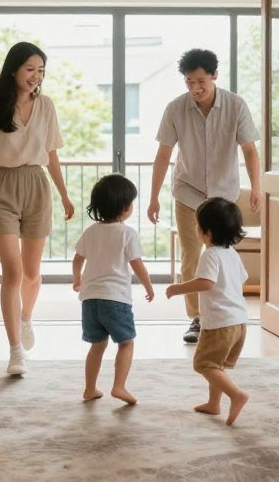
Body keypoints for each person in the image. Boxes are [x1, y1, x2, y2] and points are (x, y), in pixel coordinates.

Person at [0, 42, 75, 376]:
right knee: (12, 273)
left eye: (40, 70)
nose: (36, 76)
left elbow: (52, 155)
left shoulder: (46, 106)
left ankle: (26, 317)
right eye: (30, 69)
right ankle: (15, 351)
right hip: (1, 189)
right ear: (14, 69)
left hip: (37, 186)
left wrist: (65, 195)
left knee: (31, 273)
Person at [147, 48, 260, 344]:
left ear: (214, 76)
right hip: (189, 192)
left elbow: (249, 149)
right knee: (191, 255)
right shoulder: (176, 108)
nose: (195, 88)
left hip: (224, 195)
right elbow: (163, 154)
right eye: (189, 82)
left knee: (225, 255)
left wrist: (257, 187)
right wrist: (154, 197)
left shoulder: (236, 106)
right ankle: (197, 319)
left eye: (200, 82)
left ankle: (228, 314)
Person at [165, 197, 250, 426]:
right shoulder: (231, 253)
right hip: (239, 322)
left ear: (207, 232)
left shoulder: (209, 255)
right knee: (217, 365)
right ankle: (214, 404)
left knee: (203, 364)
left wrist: (178, 288)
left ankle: (236, 395)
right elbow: (242, 278)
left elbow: (206, 283)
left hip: (220, 324)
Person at [72, 174, 154, 405]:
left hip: (90, 300)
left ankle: (89, 389)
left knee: (97, 345)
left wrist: (77, 279)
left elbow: (77, 259)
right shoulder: (127, 233)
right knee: (126, 342)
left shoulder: (91, 232)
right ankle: (119, 386)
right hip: (115, 300)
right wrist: (148, 286)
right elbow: (137, 265)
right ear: (126, 208)